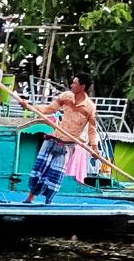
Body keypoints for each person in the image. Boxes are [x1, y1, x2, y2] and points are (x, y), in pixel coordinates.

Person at [24, 72, 101, 204]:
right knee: (40, 169)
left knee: (55, 174)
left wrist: (95, 149)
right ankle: (30, 198)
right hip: (54, 139)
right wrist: (30, 106)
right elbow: (49, 109)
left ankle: (48, 202)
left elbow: (92, 130)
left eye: (75, 83)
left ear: (82, 87)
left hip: (68, 145)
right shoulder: (66, 97)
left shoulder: (90, 108)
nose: (72, 85)